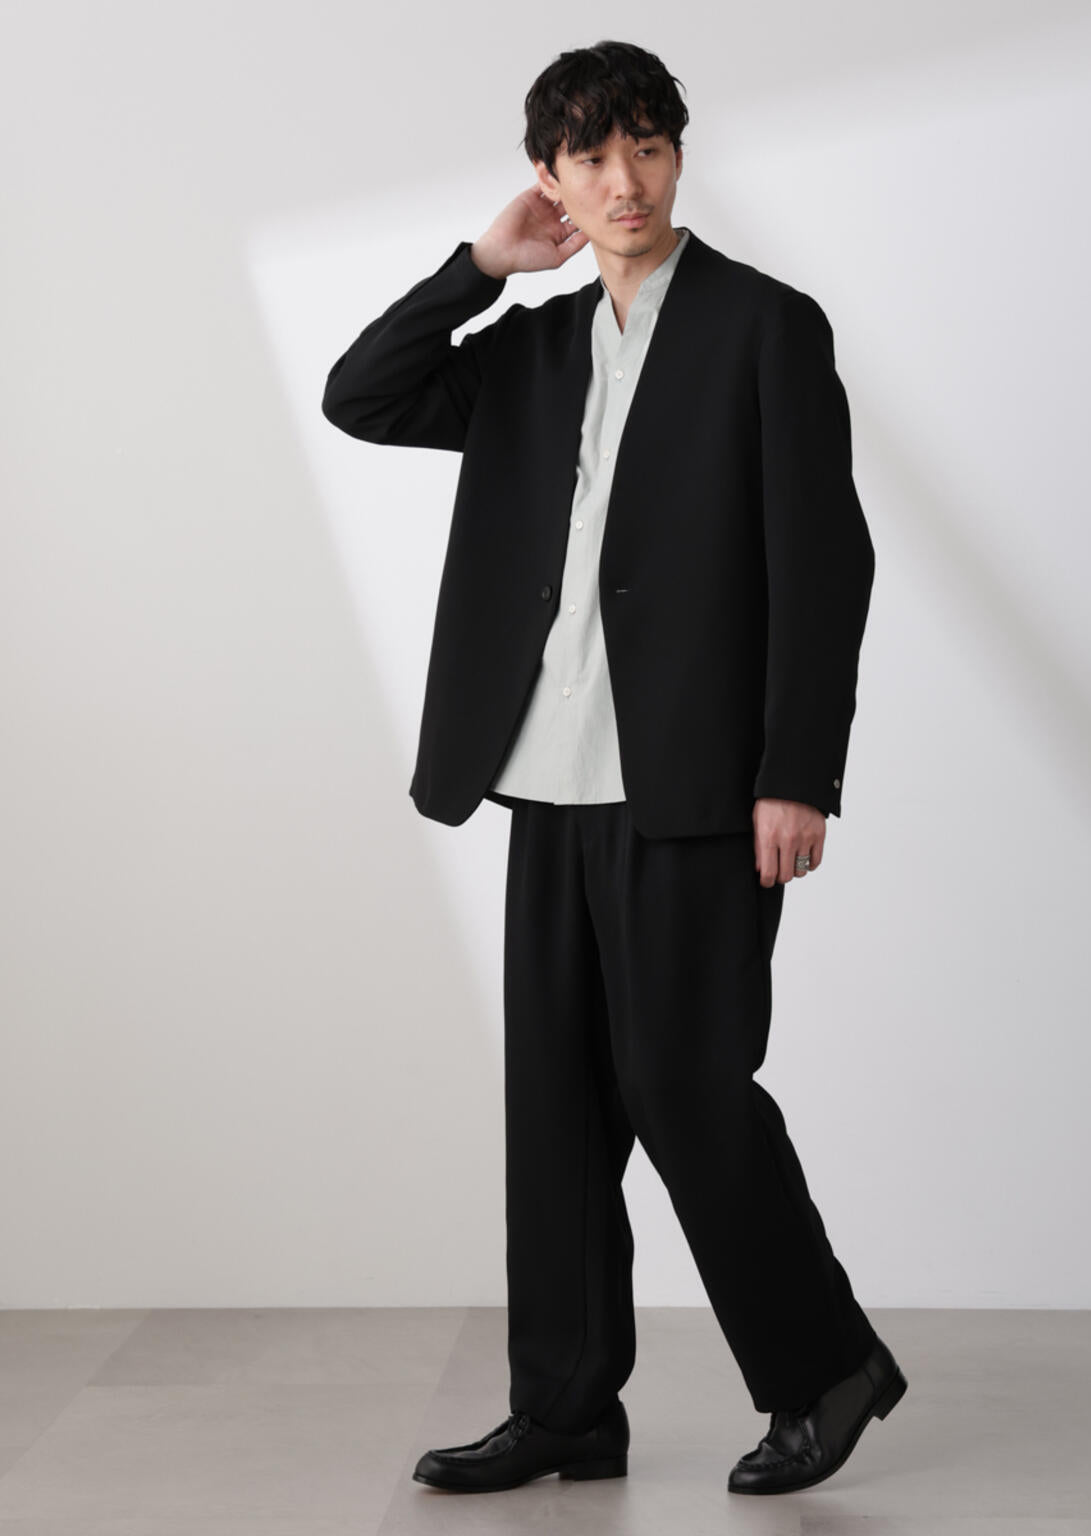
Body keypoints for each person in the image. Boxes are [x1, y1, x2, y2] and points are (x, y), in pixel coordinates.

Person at [321, 38, 906, 1497]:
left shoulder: (765, 329)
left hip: (699, 786)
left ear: (677, 156)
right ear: (551, 177)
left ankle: (826, 1365)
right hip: (548, 776)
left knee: (685, 1083)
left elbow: (824, 564)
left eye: (646, 147)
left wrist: (798, 770)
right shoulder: (527, 352)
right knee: (559, 1110)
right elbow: (359, 394)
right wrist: (481, 268)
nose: (623, 181)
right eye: (591, 157)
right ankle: (568, 1406)